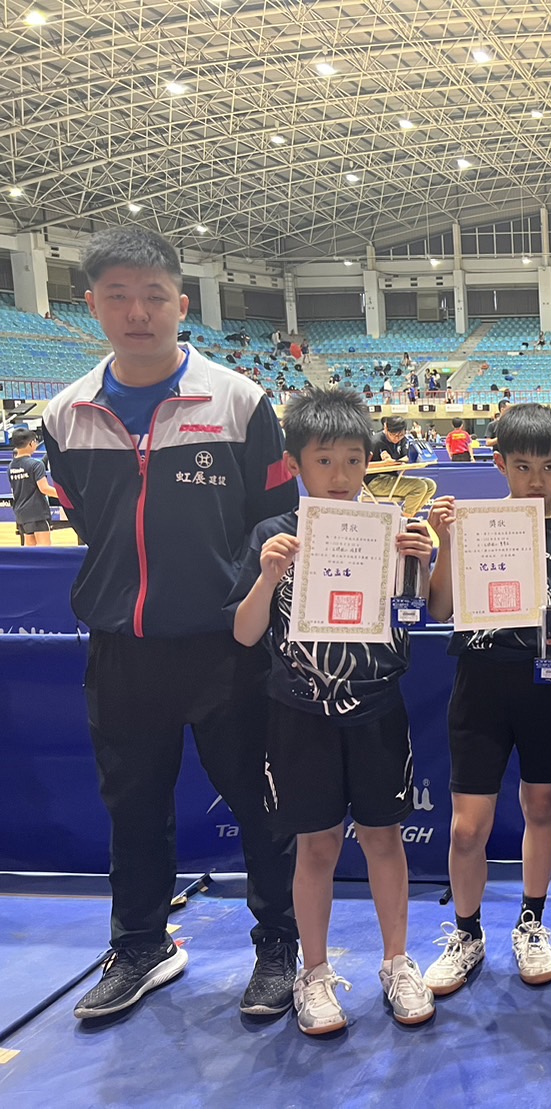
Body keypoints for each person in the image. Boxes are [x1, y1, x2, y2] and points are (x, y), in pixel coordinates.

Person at [41, 226, 298, 1020]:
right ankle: (142, 945)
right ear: (91, 305)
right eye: (118, 296)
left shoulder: (239, 401)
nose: (137, 312)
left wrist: (234, 595)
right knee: (134, 807)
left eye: (153, 296)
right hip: (124, 649)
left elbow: (275, 514)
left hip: (229, 646)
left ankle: (279, 943)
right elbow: (87, 520)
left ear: (181, 305)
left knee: (261, 804)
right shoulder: (65, 413)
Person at [230, 388, 435, 1035]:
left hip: (377, 710)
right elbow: (244, 634)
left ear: (369, 461)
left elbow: (420, 613)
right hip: (298, 714)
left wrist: (420, 565)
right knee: (315, 846)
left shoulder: (393, 531)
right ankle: (313, 972)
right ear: (295, 464)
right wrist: (267, 576)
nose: (340, 474)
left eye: (353, 459)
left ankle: (397, 962)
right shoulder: (273, 536)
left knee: (383, 838)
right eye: (324, 460)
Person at [421, 405, 551, 997]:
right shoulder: (473, 529)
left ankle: (532, 924)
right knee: (468, 829)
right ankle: (466, 934)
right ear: (499, 464)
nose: (537, 480)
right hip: (480, 688)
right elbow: (439, 609)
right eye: (522, 467)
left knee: (541, 807)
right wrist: (445, 543)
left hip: (546, 689)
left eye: (549, 467)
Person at [365, 415, 436, 516]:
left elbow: (406, 457)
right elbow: (361, 466)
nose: (397, 438)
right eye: (393, 435)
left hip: (392, 478)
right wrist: (383, 464)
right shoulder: (374, 442)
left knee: (430, 485)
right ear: (386, 428)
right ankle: (405, 519)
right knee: (419, 487)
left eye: (401, 435)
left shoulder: (403, 440)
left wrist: (395, 461)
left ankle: (408, 515)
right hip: (375, 482)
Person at [7, 429, 59, 545]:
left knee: (29, 548)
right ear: (30, 443)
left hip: (21, 514)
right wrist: (66, 496)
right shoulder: (36, 465)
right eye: (35, 441)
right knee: (45, 548)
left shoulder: (11, 466)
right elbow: (44, 489)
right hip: (38, 513)